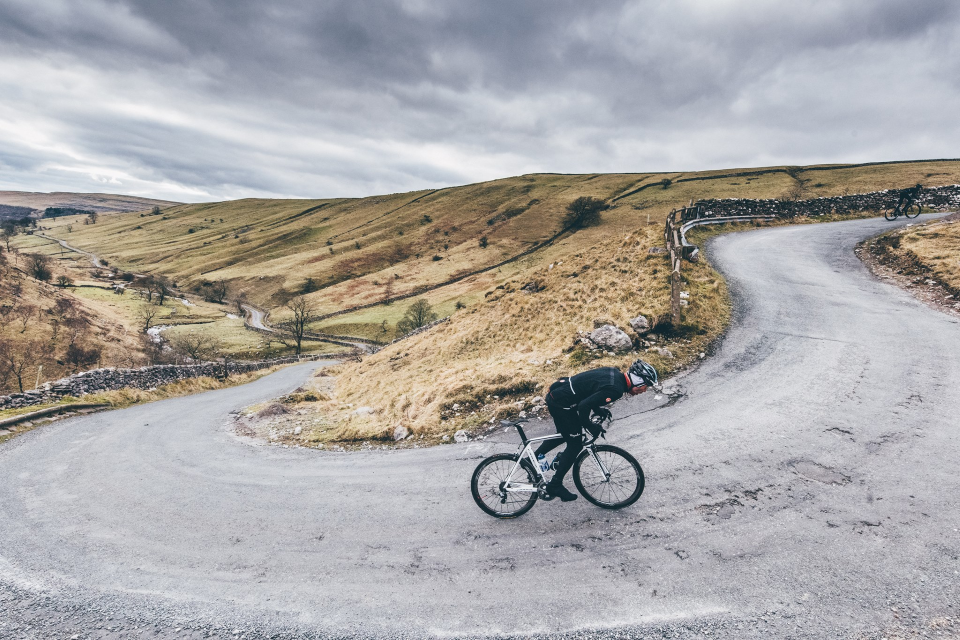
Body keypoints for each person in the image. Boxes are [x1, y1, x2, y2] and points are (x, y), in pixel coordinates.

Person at [536, 359, 659, 502]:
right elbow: (583, 406)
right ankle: (555, 485)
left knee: (568, 433)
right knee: (575, 444)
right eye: (645, 386)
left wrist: (597, 409)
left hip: (560, 393)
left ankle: (532, 459)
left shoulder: (615, 373)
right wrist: (590, 426)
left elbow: (593, 391)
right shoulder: (616, 390)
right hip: (561, 401)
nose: (644, 390)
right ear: (638, 380)